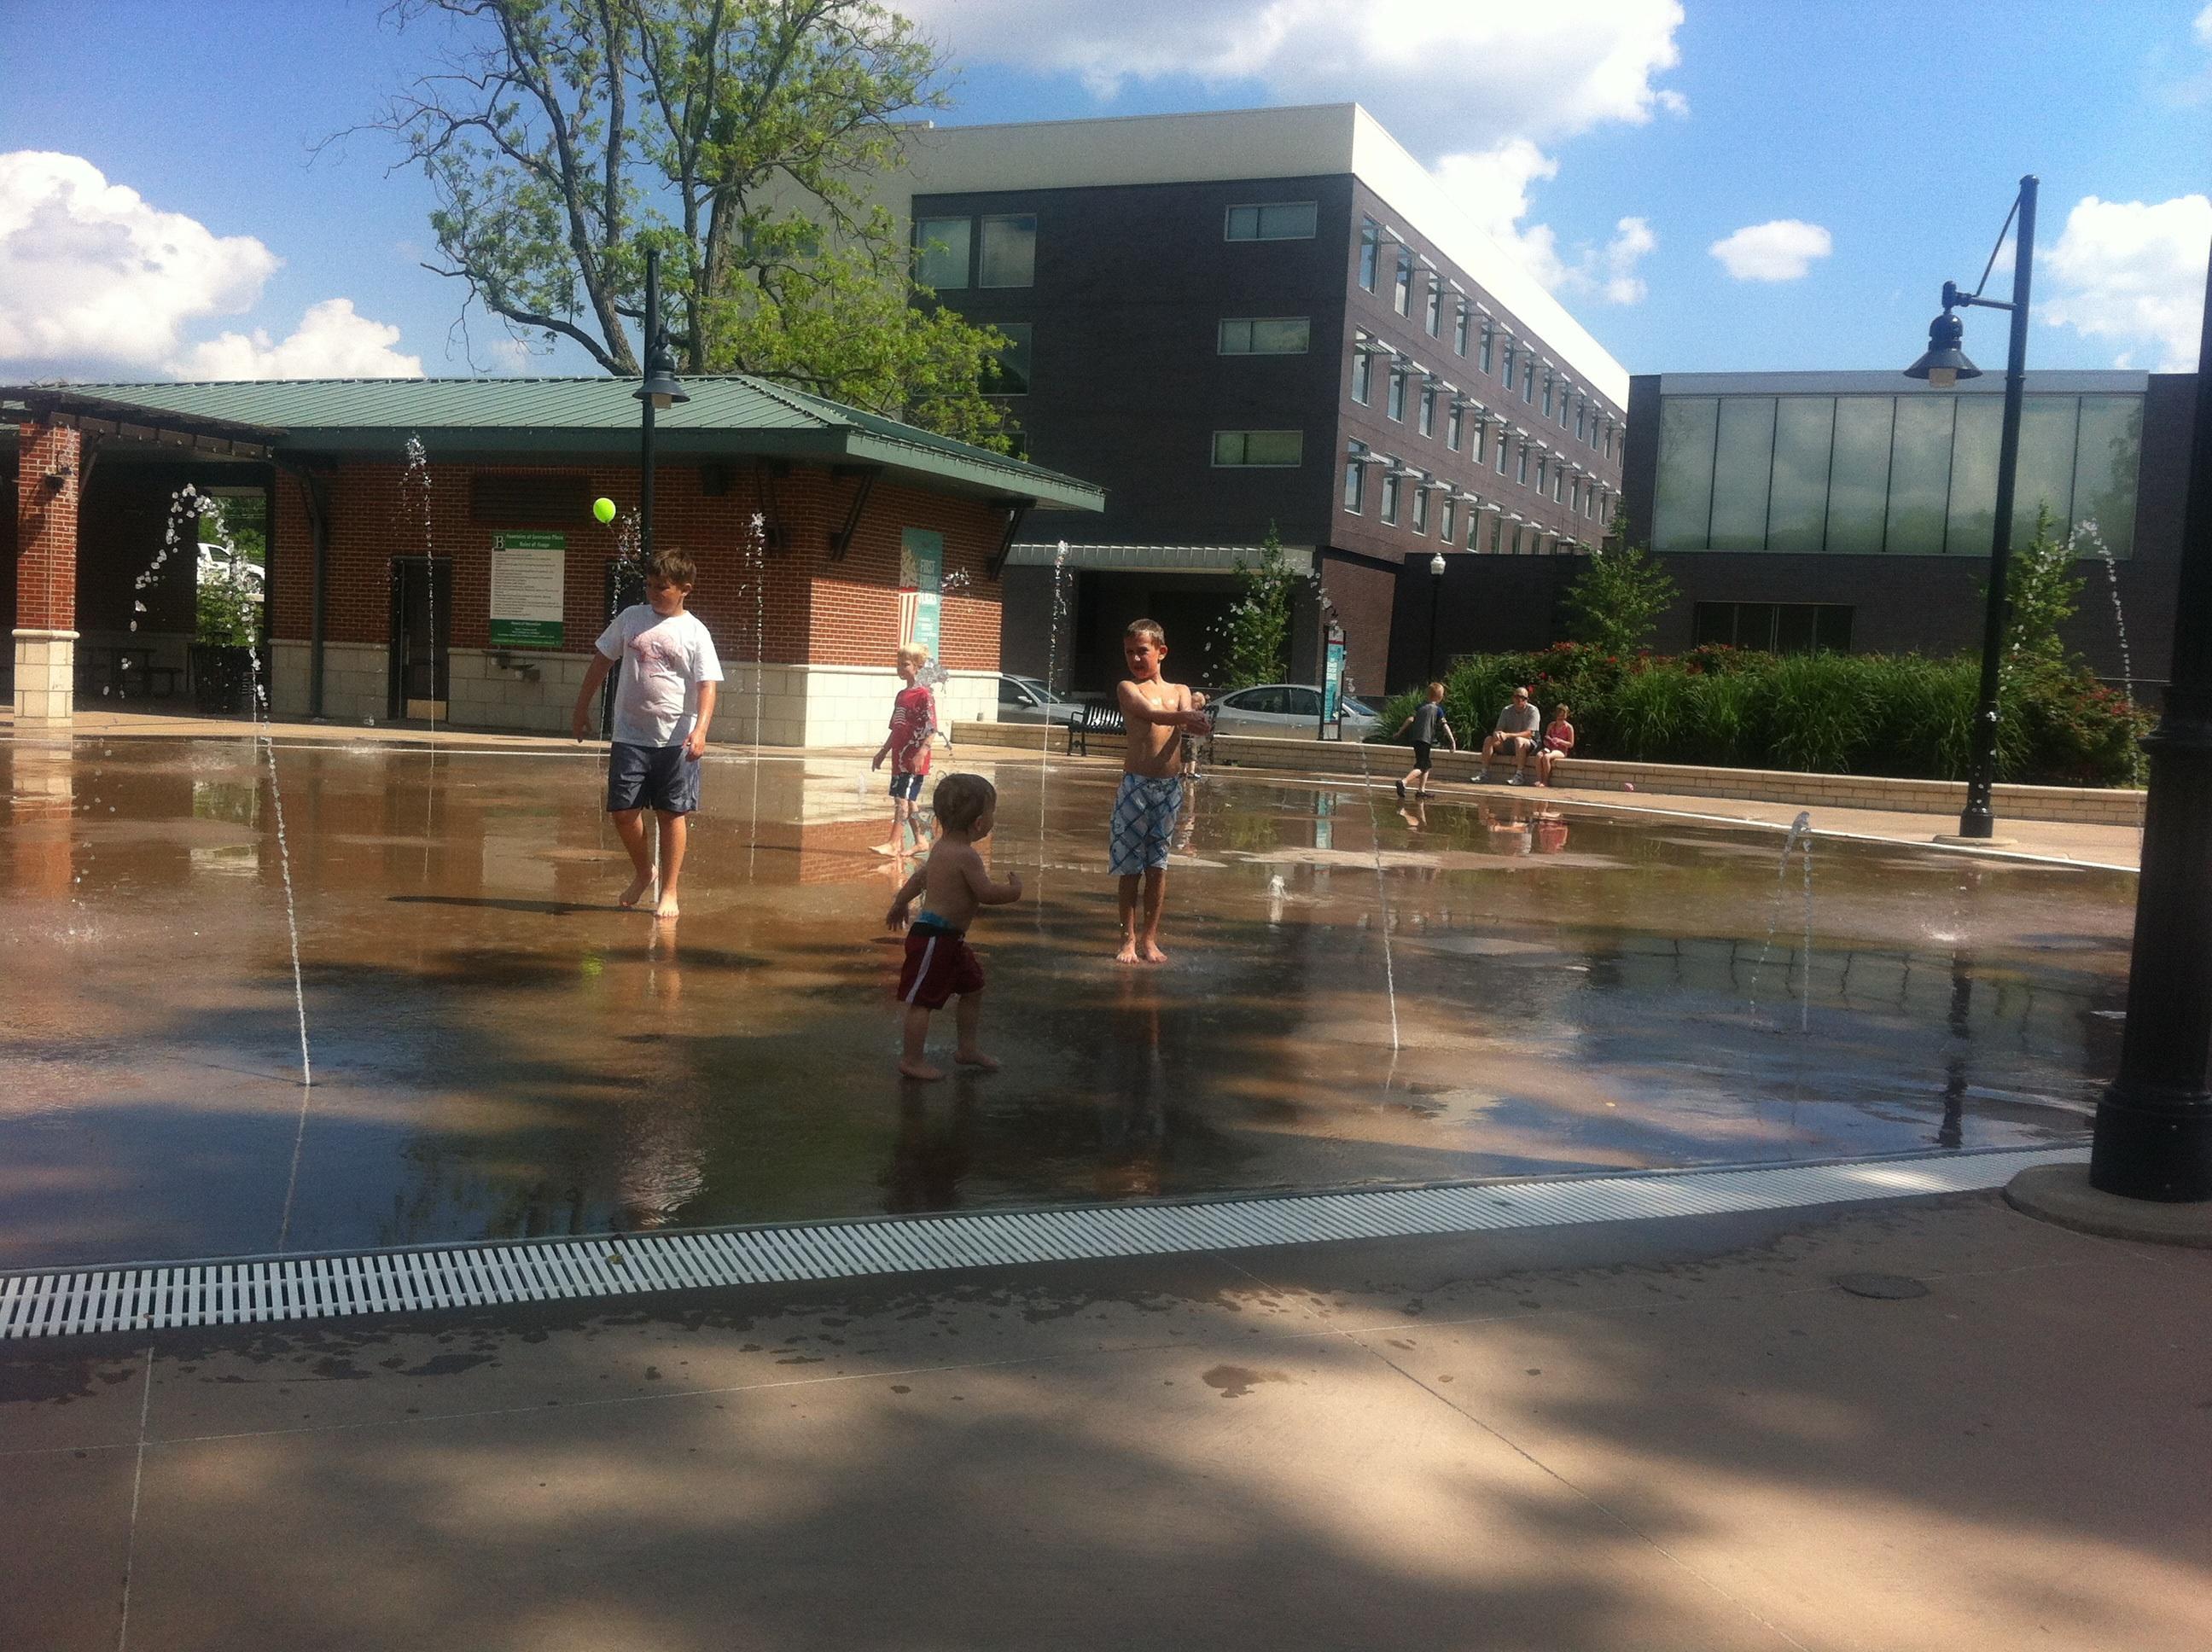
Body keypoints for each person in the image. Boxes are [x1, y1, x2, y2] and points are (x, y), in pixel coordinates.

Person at [571, 546, 723, 921]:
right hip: (630, 735)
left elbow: (707, 685)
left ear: (685, 588)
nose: (654, 593)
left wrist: (701, 730)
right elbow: (601, 661)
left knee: (672, 814)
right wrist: (581, 708)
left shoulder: (695, 631)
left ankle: (669, 890)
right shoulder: (630, 619)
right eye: (650, 585)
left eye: (663, 588)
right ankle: (644, 871)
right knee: (623, 812)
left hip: (676, 739)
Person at [885, 773, 1022, 1080]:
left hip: (950, 940)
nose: (992, 820)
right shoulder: (966, 856)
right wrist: (1014, 891)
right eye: (992, 813)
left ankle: (967, 1049)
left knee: (973, 989)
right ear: (978, 823)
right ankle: (911, 1060)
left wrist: (900, 902)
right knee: (923, 1002)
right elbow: (986, 894)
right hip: (936, 938)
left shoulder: (941, 848)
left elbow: (920, 879)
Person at [1111, 619, 1211, 964]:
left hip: (1169, 788)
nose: (1135, 659)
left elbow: (1188, 716)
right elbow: (1153, 715)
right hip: (1135, 786)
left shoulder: (1180, 690)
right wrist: (1186, 716)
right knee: (1130, 868)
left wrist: (1198, 719)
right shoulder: (1128, 688)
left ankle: (1150, 939)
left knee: (1157, 866)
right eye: (1129, 652)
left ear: (1161, 652)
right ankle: (1128, 939)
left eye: (1142, 651)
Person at [870, 644, 937, 855]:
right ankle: (920, 841)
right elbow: (896, 728)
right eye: (898, 664)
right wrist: (883, 752)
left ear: (918, 667)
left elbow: (932, 728)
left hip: (914, 757)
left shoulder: (924, 694)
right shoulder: (901, 695)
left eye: (905, 664)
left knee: (901, 799)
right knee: (908, 800)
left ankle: (893, 843)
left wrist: (921, 753)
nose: (900, 668)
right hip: (899, 756)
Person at [1393, 681, 1456, 800]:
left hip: (1416, 739)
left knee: (1427, 765)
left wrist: (1399, 732)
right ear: (1441, 697)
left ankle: (1421, 790)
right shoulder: (1438, 710)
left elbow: (1410, 719)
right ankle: (1404, 782)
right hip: (1425, 740)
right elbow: (1444, 725)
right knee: (1421, 767)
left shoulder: (1420, 707)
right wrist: (1452, 740)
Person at [1479, 686, 1542, 784]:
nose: (1519, 700)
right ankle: (1484, 773)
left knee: (1519, 740)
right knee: (1489, 740)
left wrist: (1507, 735)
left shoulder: (1533, 711)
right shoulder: (1506, 710)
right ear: (1513, 698)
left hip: (1530, 744)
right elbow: (1499, 728)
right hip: (1510, 744)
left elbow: (1529, 734)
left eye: (1523, 698)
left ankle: (1519, 775)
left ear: (1527, 700)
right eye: (1517, 697)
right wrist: (1497, 734)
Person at [1536, 701, 1576, 787]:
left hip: (1561, 750)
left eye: (1562, 716)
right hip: (1550, 747)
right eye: (1559, 716)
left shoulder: (1569, 728)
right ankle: (1539, 779)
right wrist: (1548, 740)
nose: (1560, 718)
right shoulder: (1551, 725)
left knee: (1547, 757)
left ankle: (1545, 781)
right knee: (1539, 755)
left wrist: (1560, 741)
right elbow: (1546, 737)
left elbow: (1571, 744)